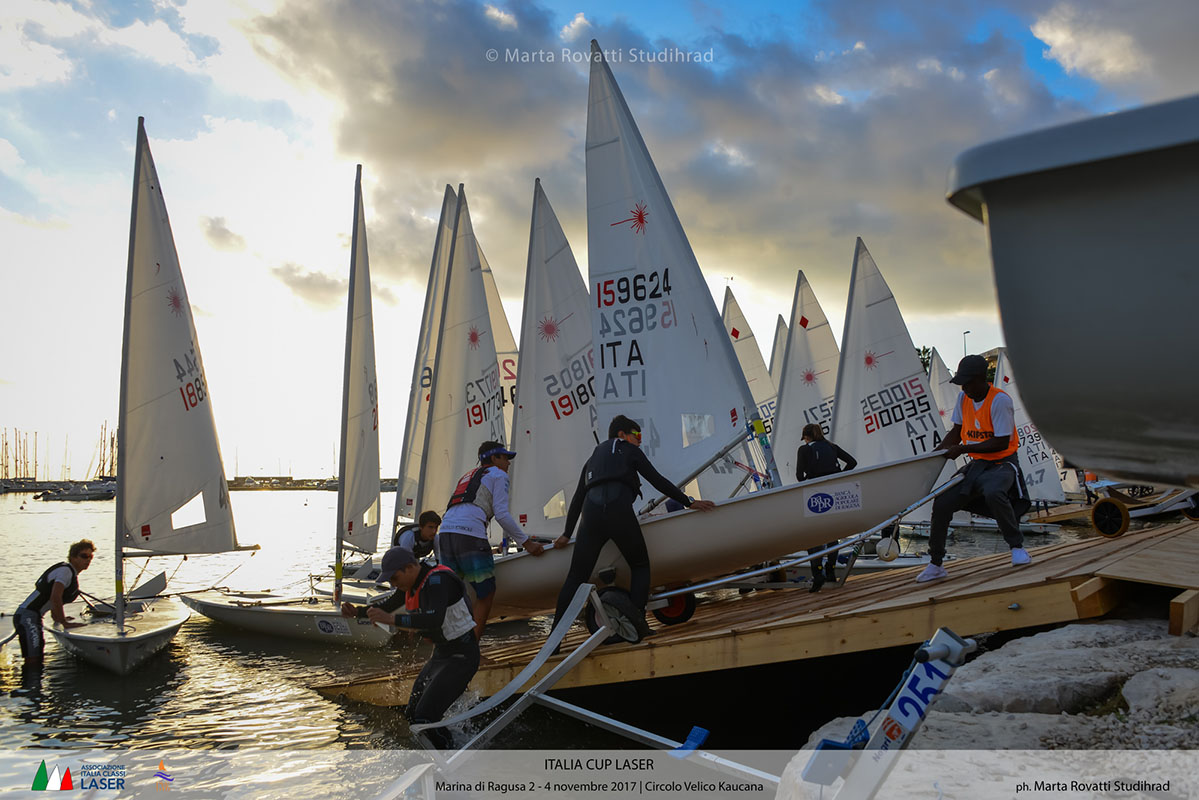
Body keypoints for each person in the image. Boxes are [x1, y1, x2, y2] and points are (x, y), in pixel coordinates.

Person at [550, 415, 716, 642]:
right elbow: (657, 480)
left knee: (576, 576)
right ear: (622, 435)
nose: (639, 441)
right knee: (639, 566)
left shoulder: (592, 459)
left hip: (591, 516)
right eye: (637, 435)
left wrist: (566, 535)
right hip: (618, 511)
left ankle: (554, 639)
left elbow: (578, 498)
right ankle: (637, 623)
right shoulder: (629, 450)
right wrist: (689, 502)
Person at [340, 546, 476, 748]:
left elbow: (434, 620)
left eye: (394, 578)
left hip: (462, 656)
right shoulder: (411, 585)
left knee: (425, 718)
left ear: (410, 567)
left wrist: (391, 620)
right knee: (413, 715)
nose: (393, 584)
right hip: (442, 655)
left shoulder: (438, 580)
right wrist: (357, 612)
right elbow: (385, 606)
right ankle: (448, 750)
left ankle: (448, 760)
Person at [917, 354, 1032, 582]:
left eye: (968, 382)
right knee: (941, 502)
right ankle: (936, 563)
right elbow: (956, 431)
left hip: (1002, 463)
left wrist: (962, 449)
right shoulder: (963, 398)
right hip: (977, 464)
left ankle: (1017, 548)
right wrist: (936, 453)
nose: (965, 387)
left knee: (993, 492)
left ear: (981, 379)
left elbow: (1000, 442)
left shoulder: (1000, 401)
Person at [437, 441, 545, 639]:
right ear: (494, 459)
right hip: (470, 535)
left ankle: (446, 647)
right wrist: (526, 543)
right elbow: (502, 514)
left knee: (452, 595)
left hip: (444, 533)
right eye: (505, 458)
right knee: (485, 594)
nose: (508, 463)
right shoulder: (498, 474)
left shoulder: (466, 476)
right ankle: (471, 651)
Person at [796, 423, 858, 592]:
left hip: (815, 496)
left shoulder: (804, 450)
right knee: (832, 533)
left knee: (813, 535)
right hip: (835, 494)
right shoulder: (832, 447)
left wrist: (811, 481)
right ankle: (830, 569)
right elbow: (852, 462)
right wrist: (838, 476)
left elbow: (799, 476)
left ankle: (818, 574)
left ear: (806, 437)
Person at [14, 539, 95, 666]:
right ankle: (28, 684)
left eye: (91, 556)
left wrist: (56, 616)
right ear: (73, 557)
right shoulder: (65, 572)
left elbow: (55, 600)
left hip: (34, 616)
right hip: (27, 616)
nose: (88, 560)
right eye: (84, 556)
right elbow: (55, 597)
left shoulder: (71, 573)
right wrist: (64, 622)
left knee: (39, 656)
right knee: (33, 659)